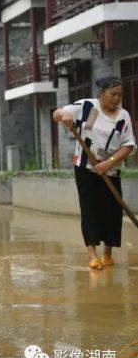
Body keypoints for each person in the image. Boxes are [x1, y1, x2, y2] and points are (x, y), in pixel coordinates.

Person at [53, 76, 136, 270]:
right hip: (86, 169)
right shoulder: (88, 107)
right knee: (90, 209)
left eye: (120, 95)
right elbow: (58, 112)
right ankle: (92, 256)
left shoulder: (123, 116)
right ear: (102, 94)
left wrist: (109, 163)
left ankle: (107, 255)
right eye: (113, 94)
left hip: (111, 170)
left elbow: (129, 145)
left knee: (113, 211)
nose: (117, 98)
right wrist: (64, 116)